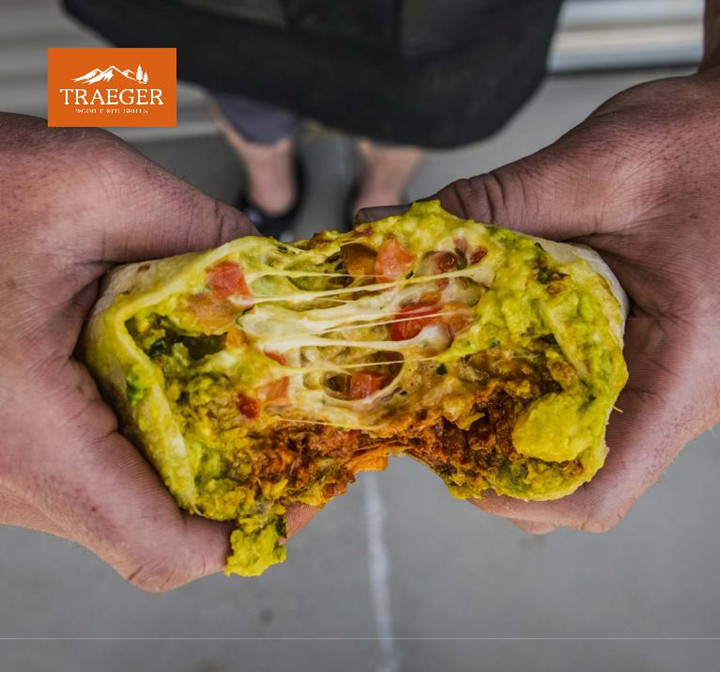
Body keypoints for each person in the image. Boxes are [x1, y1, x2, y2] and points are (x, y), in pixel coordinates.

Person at [0, 6, 717, 591]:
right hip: (205, 19)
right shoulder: (119, 77)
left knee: (420, 113)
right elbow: (95, 89)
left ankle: (352, 190)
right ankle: (277, 185)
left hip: (457, 31)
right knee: (239, 98)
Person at [63, 0, 566, 234]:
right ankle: (272, 192)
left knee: (414, 106)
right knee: (241, 87)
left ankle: (378, 194)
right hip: (226, 15)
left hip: (433, 23)